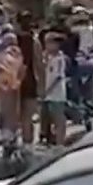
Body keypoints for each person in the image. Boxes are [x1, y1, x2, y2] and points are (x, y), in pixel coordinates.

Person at [16, 11, 45, 144]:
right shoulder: (34, 41)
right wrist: (42, 86)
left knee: (16, 118)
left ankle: (15, 147)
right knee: (27, 118)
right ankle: (27, 147)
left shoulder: (12, 40)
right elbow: (39, 64)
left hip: (13, 83)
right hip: (29, 81)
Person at [42, 31, 68, 145]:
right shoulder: (46, 57)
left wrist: (47, 90)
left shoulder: (59, 59)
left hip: (56, 94)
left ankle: (60, 143)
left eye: (50, 43)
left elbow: (57, 77)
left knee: (59, 119)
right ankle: (49, 140)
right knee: (46, 118)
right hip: (46, 94)